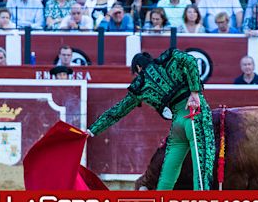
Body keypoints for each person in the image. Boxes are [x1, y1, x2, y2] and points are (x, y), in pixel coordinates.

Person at [87, 48, 216, 191]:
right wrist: (194, 91)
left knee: (168, 171)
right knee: (202, 165)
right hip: (194, 114)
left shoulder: (141, 86)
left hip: (177, 125)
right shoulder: (169, 58)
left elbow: (117, 111)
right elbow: (191, 60)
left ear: (138, 68)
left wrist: (92, 130)